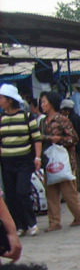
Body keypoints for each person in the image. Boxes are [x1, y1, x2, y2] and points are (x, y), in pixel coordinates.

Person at [39, 92, 80, 232]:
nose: (42, 105)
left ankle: (79, 214)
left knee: (68, 192)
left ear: (52, 103)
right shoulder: (42, 122)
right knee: (51, 193)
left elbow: (74, 138)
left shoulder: (62, 120)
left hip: (64, 160)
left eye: (44, 102)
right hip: (48, 161)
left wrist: (58, 139)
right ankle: (54, 222)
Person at [0, 83, 43, 237]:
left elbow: (36, 138)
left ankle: (31, 222)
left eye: (2, 98)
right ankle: (19, 224)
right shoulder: (2, 118)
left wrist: (37, 157)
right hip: (6, 162)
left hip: (24, 160)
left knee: (22, 191)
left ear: (10, 100)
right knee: (10, 195)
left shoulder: (27, 116)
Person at [61, 99, 80, 192]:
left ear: (67, 110)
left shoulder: (71, 119)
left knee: (76, 167)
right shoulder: (77, 117)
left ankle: (78, 186)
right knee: (79, 166)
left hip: (76, 146)